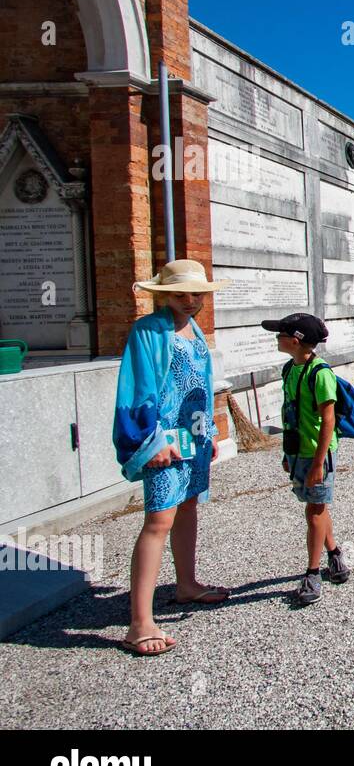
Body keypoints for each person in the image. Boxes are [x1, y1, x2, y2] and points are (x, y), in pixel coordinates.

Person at [113, 259, 231, 656]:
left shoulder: (193, 329)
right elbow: (139, 388)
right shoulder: (148, 331)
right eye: (181, 294)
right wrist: (150, 441)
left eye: (197, 294)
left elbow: (202, 383)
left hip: (193, 437)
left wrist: (210, 430)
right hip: (163, 438)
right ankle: (139, 623)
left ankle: (186, 583)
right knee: (157, 520)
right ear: (163, 294)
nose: (191, 300)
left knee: (189, 508)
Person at [261, 313, 350, 605]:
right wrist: (288, 454)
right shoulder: (289, 369)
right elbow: (290, 414)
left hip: (317, 454)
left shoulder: (320, 373)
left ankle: (312, 574)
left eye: (281, 334)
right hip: (299, 451)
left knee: (314, 510)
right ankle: (335, 556)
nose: (277, 338)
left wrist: (317, 464)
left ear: (296, 340)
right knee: (317, 507)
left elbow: (327, 421)